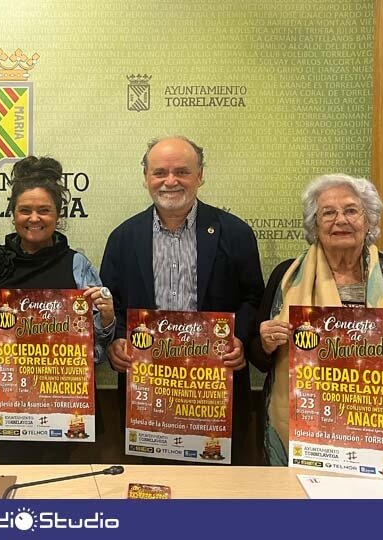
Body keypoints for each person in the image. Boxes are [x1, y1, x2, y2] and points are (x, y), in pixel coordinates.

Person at [100, 135, 264, 464]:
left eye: (182, 172)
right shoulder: (123, 237)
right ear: (145, 177)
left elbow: (254, 297)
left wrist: (240, 338)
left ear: (200, 175)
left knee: (214, 501)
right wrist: (117, 340)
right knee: (150, 492)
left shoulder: (234, 233)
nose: (170, 181)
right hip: (147, 399)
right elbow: (110, 303)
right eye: (160, 172)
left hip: (215, 396)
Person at [247, 173, 383, 466]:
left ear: (369, 221)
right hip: (305, 432)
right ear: (314, 225)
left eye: (351, 210)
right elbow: (259, 357)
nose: (340, 220)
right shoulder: (286, 277)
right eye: (328, 212)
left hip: (381, 433)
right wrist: (265, 343)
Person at [0, 155, 115, 464]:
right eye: (25, 210)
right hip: (6, 403)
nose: (34, 218)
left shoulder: (77, 265)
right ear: (13, 214)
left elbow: (97, 351)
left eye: (44, 210)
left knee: (56, 485)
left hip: (62, 399)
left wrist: (107, 319)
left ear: (58, 215)